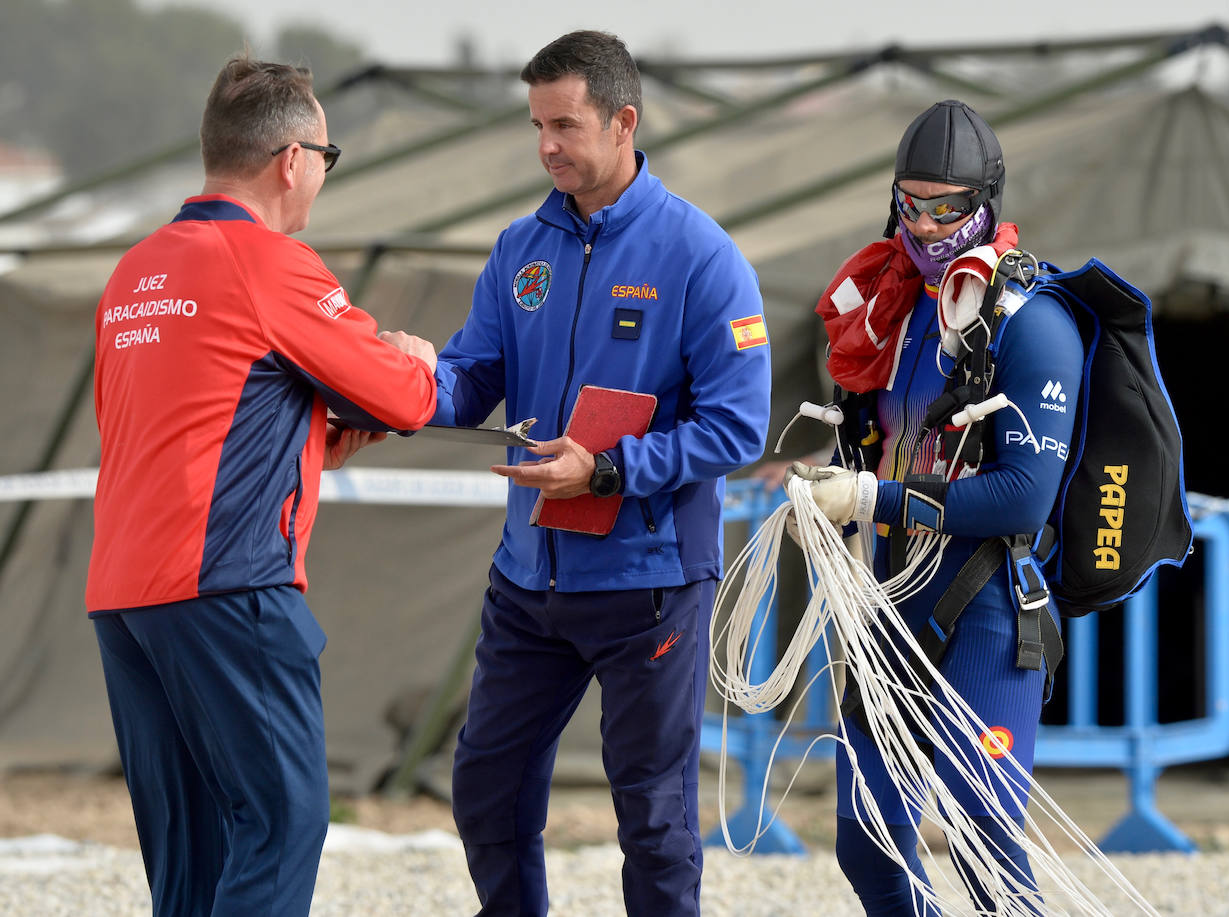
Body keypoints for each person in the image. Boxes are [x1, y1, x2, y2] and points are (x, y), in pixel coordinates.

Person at [420, 29, 770, 917]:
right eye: (537, 126)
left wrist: (608, 470)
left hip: (649, 585)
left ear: (624, 122)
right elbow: (470, 382)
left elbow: (738, 425)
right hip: (526, 577)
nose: (546, 146)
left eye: (565, 125)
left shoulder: (702, 256)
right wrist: (399, 381)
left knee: (652, 818)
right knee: (486, 793)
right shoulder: (518, 249)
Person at [85, 55, 439, 916]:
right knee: (283, 822)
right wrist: (415, 359)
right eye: (327, 156)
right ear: (291, 159)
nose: (321, 174)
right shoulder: (270, 262)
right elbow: (402, 395)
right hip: (226, 580)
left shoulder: (135, 269)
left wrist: (305, 443)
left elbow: (194, 426)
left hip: (125, 592)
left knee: (191, 851)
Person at [788, 100, 1084, 915]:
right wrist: (829, 485)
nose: (925, 223)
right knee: (867, 839)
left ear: (986, 199)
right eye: (910, 202)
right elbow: (882, 443)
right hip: (889, 605)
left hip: (989, 607)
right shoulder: (896, 307)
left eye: (947, 206)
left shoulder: (1033, 320)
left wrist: (877, 496)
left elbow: (1026, 491)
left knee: (982, 835)